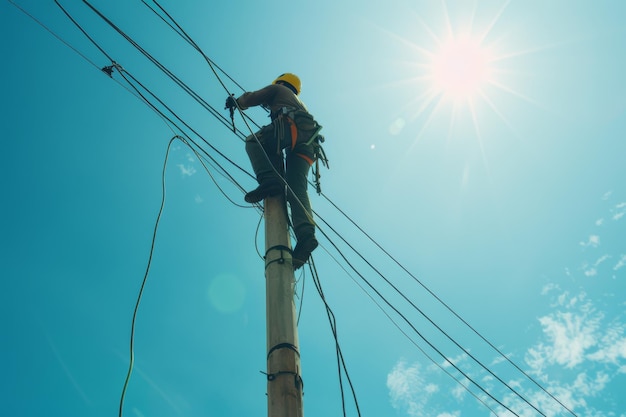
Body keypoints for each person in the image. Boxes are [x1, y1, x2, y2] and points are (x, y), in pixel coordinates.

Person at [225, 73, 322, 269]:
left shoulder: (278, 90)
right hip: (308, 145)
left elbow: (252, 97)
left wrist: (237, 102)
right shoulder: (299, 102)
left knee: (254, 141)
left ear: (280, 82)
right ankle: (306, 236)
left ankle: (269, 179)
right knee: (296, 188)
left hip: (291, 129)